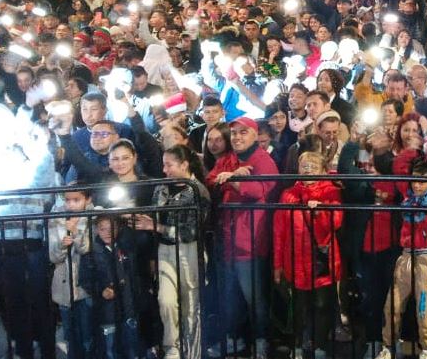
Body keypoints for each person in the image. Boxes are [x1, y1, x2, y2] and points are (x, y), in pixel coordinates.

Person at [206, 116, 279, 359]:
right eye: (234, 133)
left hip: (250, 242)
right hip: (229, 239)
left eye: (243, 132)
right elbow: (211, 179)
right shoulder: (229, 159)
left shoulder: (263, 160)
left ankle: (261, 342)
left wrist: (233, 179)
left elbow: (260, 190)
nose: (237, 137)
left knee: (254, 297)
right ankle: (234, 339)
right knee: (230, 296)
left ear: (255, 135)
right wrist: (230, 177)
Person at [374, 153, 427, 359]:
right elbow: (400, 165)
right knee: (392, 304)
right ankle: (387, 346)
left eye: (423, 181)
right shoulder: (407, 197)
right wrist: (416, 149)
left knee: (423, 306)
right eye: (415, 180)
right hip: (405, 257)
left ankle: (426, 348)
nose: (417, 185)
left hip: (425, 258)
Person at [138, 145, 209, 359]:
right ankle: (172, 347)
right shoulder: (161, 187)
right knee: (166, 300)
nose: (165, 169)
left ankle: (192, 351)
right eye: (164, 165)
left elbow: (190, 232)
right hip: (165, 249)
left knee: (191, 304)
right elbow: (154, 216)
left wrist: (157, 227)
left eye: (169, 165)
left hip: (189, 251)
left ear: (184, 164)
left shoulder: (198, 191)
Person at [272, 151, 343, 359]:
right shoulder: (288, 194)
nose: (308, 170)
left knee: (322, 304)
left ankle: (319, 345)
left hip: (321, 258)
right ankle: (299, 345)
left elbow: (336, 223)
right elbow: (279, 231)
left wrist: (320, 212)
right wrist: (277, 264)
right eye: (304, 165)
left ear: (323, 171)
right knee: (299, 306)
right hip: (295, 258)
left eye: (313, 166)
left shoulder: (331, 192)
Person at [82, 211, 142, 359]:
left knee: (131, 347)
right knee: (110, 349)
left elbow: (133, 274)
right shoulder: (92, 252)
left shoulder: (124, 247)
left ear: (118, 229)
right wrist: (100, 291)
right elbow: (86, 279)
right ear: (97, 230)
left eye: (111, 228)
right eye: (103, 229)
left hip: (128, 307)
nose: (108, 233)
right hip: (107, 310)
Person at [50, 186, 94, 359]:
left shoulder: (93, 216)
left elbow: (87, 249)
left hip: (85, 286)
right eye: (68, 200)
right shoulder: (56, 218)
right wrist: (62, 245)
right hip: (64, 287)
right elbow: (53, 256)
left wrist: (76, 233)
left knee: (88, 334)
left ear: (87, 199)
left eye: (76, 200)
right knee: (70, 335)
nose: (71, 204)